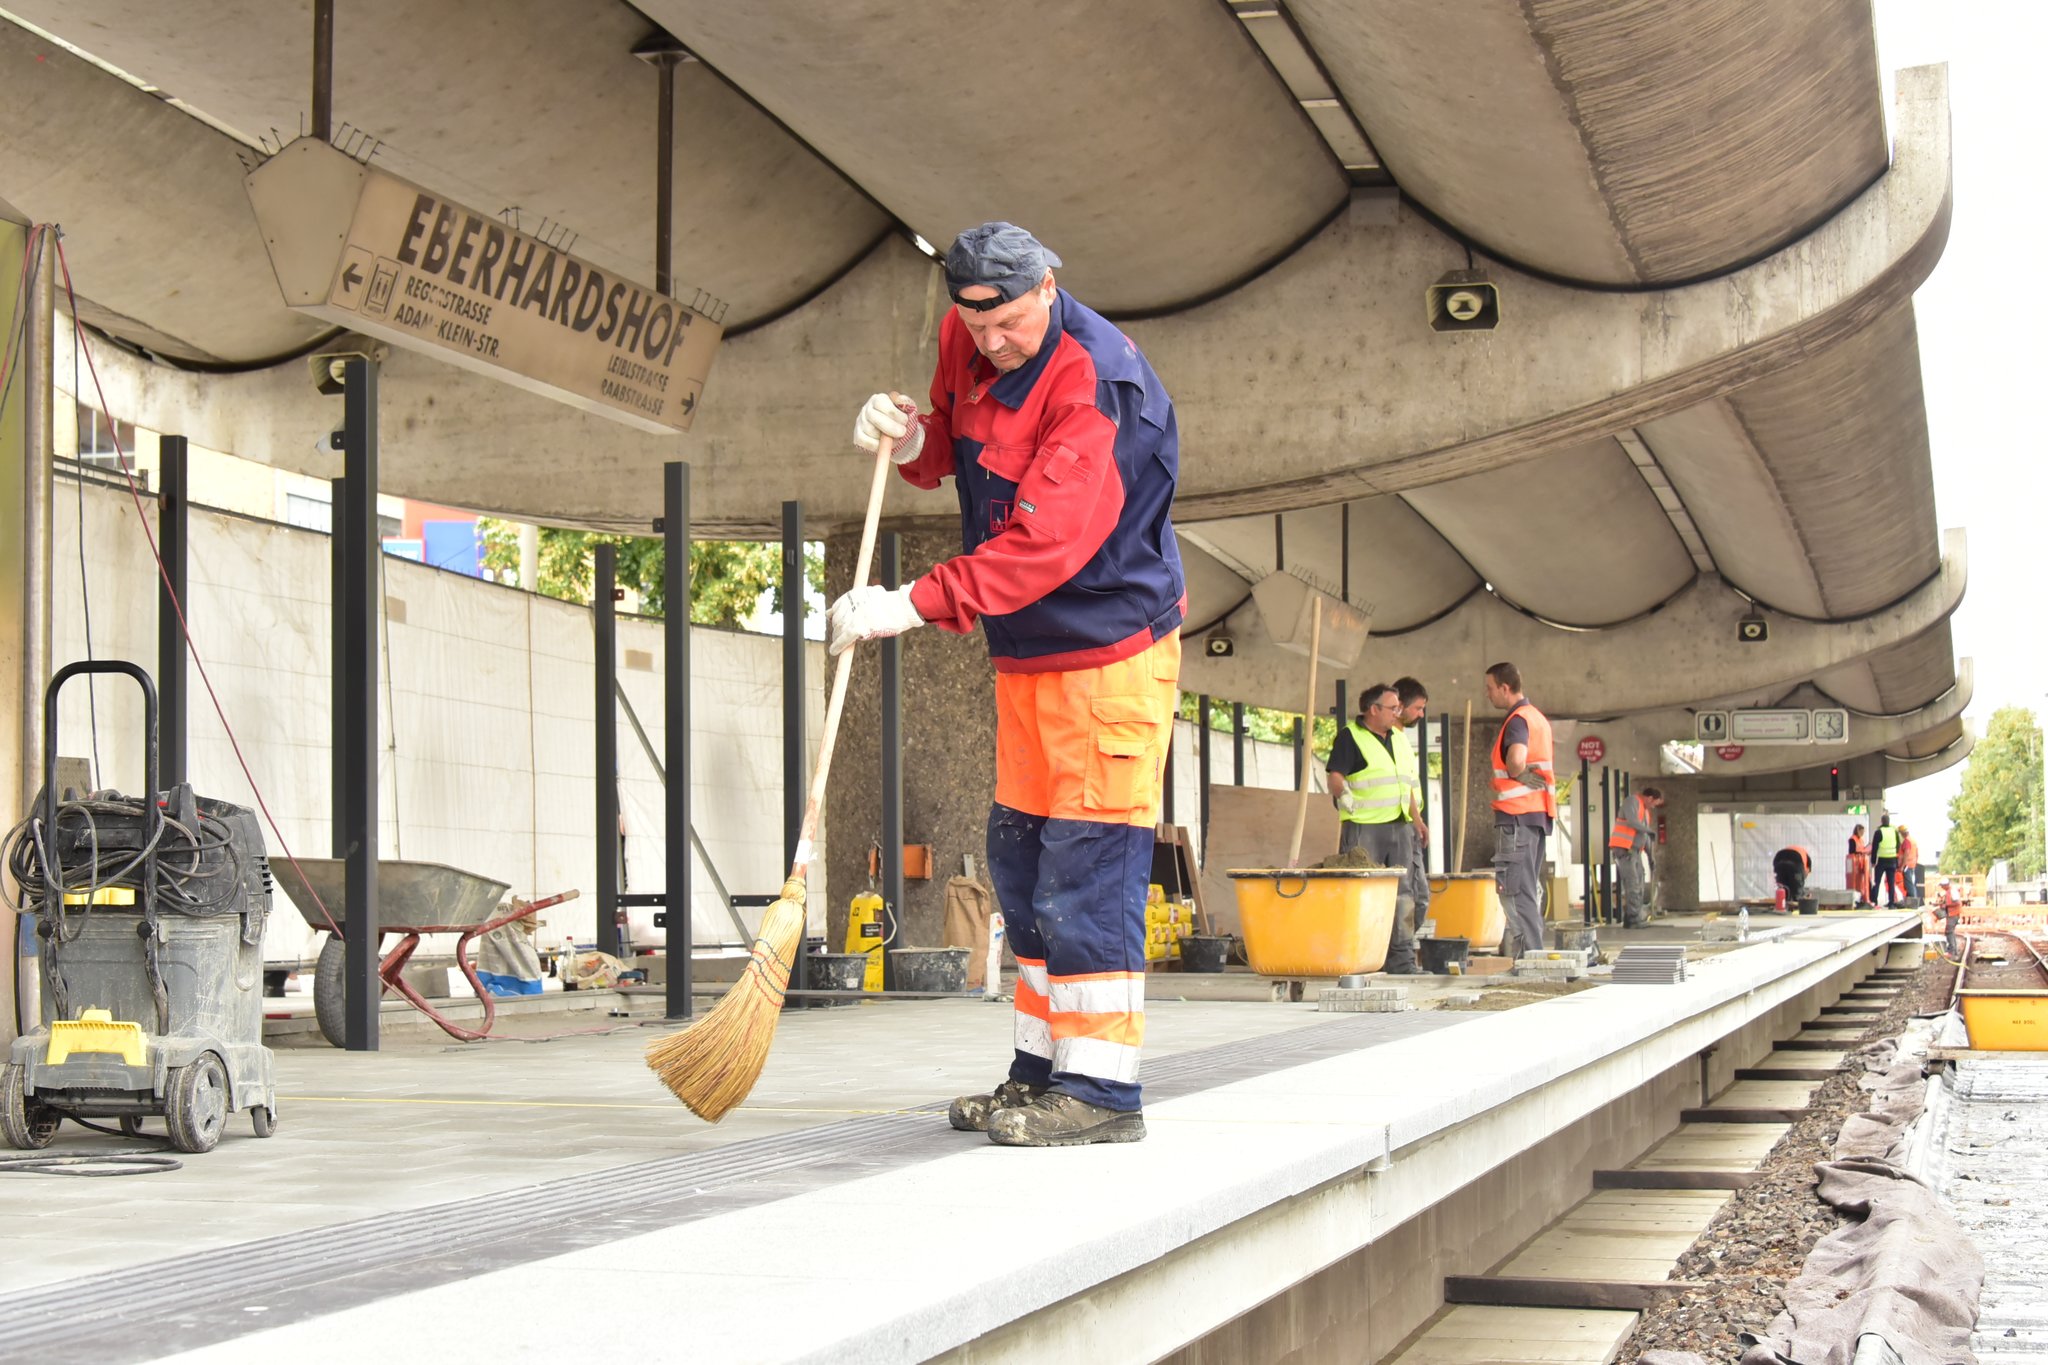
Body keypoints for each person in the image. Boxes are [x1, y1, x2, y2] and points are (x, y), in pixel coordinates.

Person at [827, 222, 1183, 1149]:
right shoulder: (967, 336)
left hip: (1109, 656)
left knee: (1089, 870)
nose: (992, 344)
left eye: (1011, 323)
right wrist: (903, 438)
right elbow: (947, 452)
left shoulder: (1096, 387)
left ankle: (1105, 1094)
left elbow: (1044, 548)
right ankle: (1038, 1075)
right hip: (1027, 657)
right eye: (975, 325)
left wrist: (911, 602)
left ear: (1049, 286)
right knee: (1022, 865)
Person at [1324, 683, 1424, 974]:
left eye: (1399, 708)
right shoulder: (1351, 737)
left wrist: (1416, 820)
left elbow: (1407, 784)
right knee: (1362, 893)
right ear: (1373, 709)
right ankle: (1361, 956)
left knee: (1405, 894)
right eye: (1393, 708)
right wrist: (1345, 797)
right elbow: (1335, 778)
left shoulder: (1400, 739)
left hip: (1400, 825)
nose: (1398, 713)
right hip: (1364, 828)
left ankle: (1402, 959)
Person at [1485, 662, 1554, 958]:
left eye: (1489, 688)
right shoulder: (1537, 718)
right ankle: (1534, 956)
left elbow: (1516, 759)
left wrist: (1519, 771)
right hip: (1537, 816)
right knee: (1527, 889)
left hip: (1516, 818)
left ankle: (1530, 960)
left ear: (1504, 687)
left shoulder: (1517, 720)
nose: (1487, 694)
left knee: (1513, 891)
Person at [1392, 677, 1432, 934]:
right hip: (1400, 825)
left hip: (1408, 822)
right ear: (1401, 706)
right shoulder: (1392, 739)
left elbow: (1407, 784)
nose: (1421, 714)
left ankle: (1402, 947)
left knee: (1416, 893)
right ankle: (1400, 949)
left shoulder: (1402, 738)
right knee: (1413, 893)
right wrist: (1415, 818)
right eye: (1417, 708)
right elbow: (1401, 785)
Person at [1608, 785, 1665, 928]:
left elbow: (1644, 837)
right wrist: (1648, 830)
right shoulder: (1632, 802)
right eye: (1654, 803)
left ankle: (1633, 917)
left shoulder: (1644, 812)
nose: (1652, 807)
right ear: (1650, 798)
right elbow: (1633, 822)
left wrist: (1651, 857)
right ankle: (1633, 919)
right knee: (1633, 884)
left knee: (1639, 884)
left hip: (1635, 852)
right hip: (1625, 849)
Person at [1871, 815, 1903, 907]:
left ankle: (1874, 902)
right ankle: (1891, 903)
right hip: (1892, 860)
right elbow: (1898, 845)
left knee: (1877, 881)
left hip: (1881, 860)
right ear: (1889, 821)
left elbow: (1874, 847)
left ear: (1882, 821)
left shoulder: (1878, 832)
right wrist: (1895, 855)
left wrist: (1873, 861)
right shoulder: (1894, 831)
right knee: (1891, 882)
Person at [1845, 824, 1872, 908]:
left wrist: (1866, 851)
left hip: (1861, 863)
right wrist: (1862, 852)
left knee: (1862, 883)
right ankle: (1854, 900)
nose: (1862, 833)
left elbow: (1862, 849)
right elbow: (1852, 851)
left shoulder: (1861, 840)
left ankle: (1862, 898)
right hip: (1854, 863)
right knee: (1853, 882)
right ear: (1858, 830)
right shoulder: (1853, 839)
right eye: (1861, 831)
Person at [1937, 876, 1963, 957]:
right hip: (1952, 914)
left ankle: (1951, 951)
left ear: (1946, 885)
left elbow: (1957, 902)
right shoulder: (1949, 891)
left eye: (1942, 885)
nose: (1941, 887)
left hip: (1953, 914)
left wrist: (1946, 905)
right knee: (1950, 932)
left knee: (1949, 931)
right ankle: (1953, 951)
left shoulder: (1952, 891)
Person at [1897, 825, 1919, 904]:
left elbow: (1906, 854)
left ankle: (1912, 903)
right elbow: (1917, 854)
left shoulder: (1907, 841)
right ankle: (1912, 901)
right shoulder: (1913, 840)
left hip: (1907, 866)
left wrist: (1902, 866)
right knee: (1911, 884)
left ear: (1902, 833)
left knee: (1909, 885)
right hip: (1912, 865)